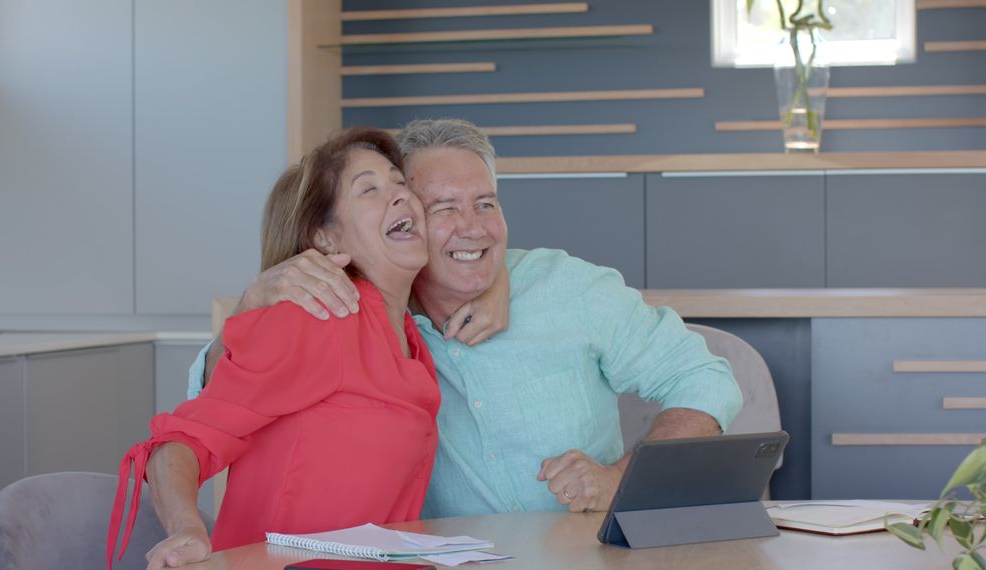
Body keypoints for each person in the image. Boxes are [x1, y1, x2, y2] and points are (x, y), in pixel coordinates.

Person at [189, 118, 743, 519]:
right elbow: (211, 394)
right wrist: (252, 301)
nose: (473, 227)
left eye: (486, 203)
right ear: (400, 217)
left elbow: (705, 380)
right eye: (442, 209)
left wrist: (620, 480)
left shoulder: (568, 287)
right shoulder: (357, 312)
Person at [107, 127, 442, 569]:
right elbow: (180, 443)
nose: (399, 196)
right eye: (370, 190)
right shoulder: (319, 318)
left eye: (400, 182)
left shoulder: (412, 337)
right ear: (327, 239)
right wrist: (188, 529)